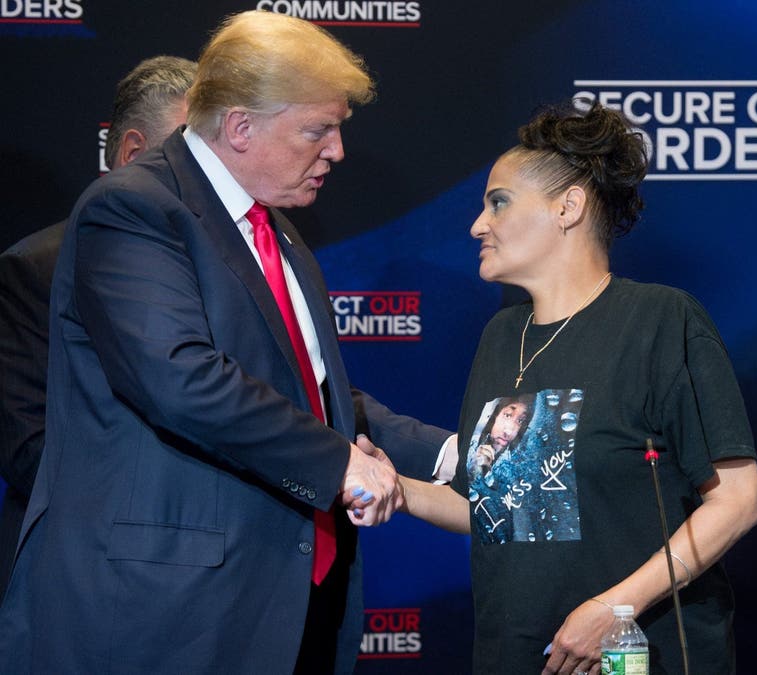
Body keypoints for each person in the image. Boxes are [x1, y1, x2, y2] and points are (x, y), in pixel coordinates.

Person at [0, 11, 452, 674]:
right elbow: (181, 379)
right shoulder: (133, 207)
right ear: (240, 127)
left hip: (273, 601)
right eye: (317, 130)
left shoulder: (278, 233)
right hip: (160, 618)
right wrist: (337, 463)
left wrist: (448, 451)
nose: (336, 151)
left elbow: (312, 395)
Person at [397, 101, 757, 674]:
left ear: (568, 206)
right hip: (517, 654)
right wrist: (394, 487)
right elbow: (497, 508)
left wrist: (616, 607)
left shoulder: (660, 321)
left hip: (641, 655)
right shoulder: (501, 335)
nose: (477, 225)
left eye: (499, 202)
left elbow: (738, 502)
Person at [0, 54, 197, 599]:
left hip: (215, 577)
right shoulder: (35, 268)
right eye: (196, 155)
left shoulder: (237, 267)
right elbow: (31, 451)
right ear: (133, 153)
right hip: (83, 578)